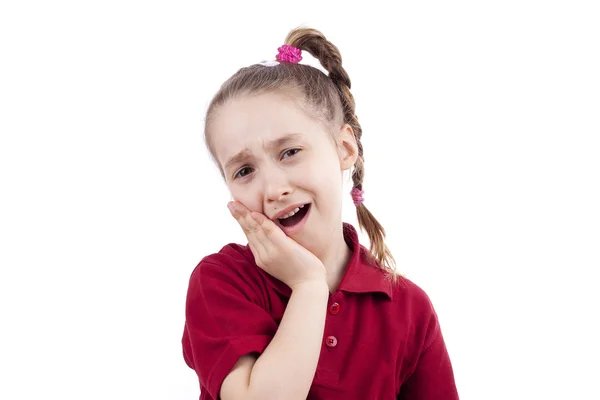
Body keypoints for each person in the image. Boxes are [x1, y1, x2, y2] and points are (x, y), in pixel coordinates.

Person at [182, 26, 459, 400]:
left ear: (345, 148)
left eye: (289, 152)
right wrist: (309, 286)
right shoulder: (222, 281)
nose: (273, 188)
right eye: (244, 171)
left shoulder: (409, 309)